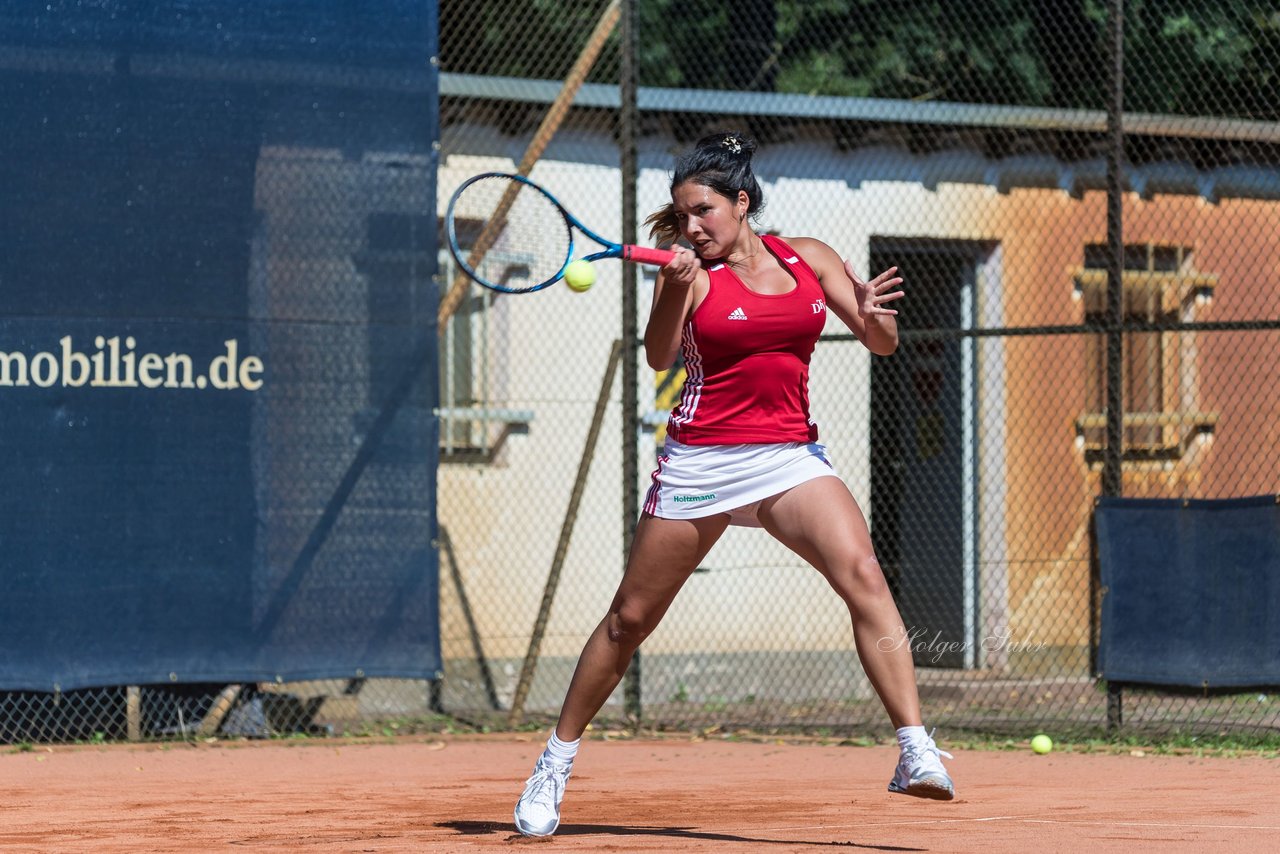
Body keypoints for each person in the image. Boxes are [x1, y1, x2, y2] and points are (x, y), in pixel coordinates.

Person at [513, 130, 954, 838]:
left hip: (788, 456)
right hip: (702, 461)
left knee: (864, 573)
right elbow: (659, 354)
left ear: (741, 203)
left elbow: (881, 344)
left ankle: (914, 749)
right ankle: (554, 765)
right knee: (629, 619)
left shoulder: (806, 257)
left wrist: (874, 314)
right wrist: (677, 289)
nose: (692, 226)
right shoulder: (690, 276)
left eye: (704, 211)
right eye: (682, 215)